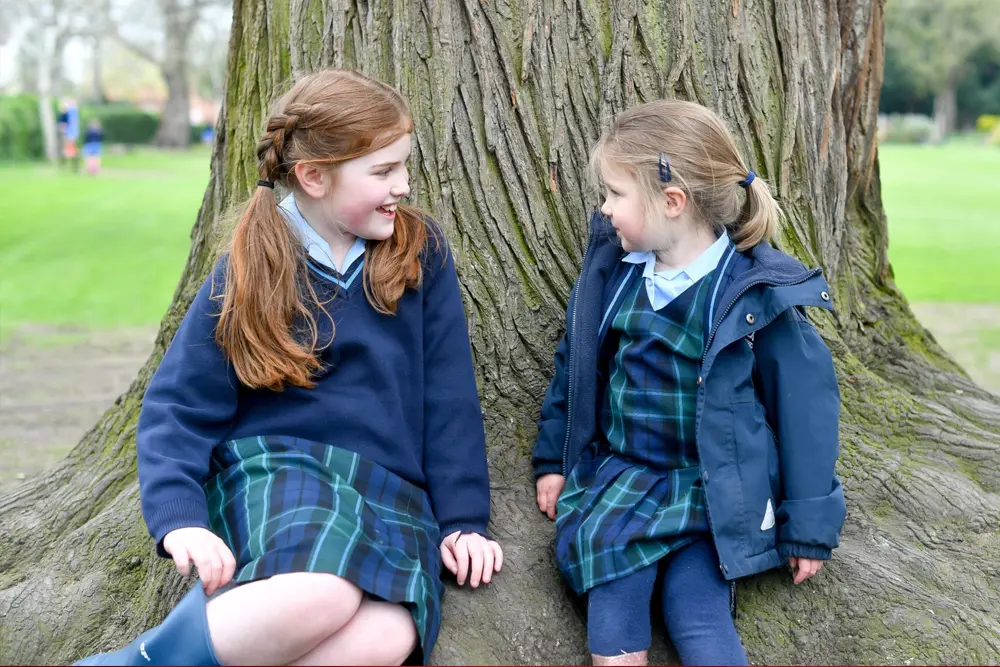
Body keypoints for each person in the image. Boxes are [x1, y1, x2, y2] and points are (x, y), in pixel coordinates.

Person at [76, 68, 502, 666]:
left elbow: (450, 396)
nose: (403, 185)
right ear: (313, 176)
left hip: (389, 490)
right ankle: (139, 662)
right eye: (383, 171)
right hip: (283, 472)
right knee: (320, 594)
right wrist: (180, 520)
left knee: (390, 636)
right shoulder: (252, 263)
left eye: (404, 166)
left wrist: (463, 519)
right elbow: (179, 404)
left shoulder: (419, 250)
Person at [532, 99, 845, 666]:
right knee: (613, 612)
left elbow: (806, 410)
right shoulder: (617, 275)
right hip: (623, 481)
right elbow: (576, 372)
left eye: (615, 195)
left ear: (672, 203)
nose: (604, 210)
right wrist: (554, 459)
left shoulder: (753, 295)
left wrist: (808, 526)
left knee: (697, 613)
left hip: (713, 492)